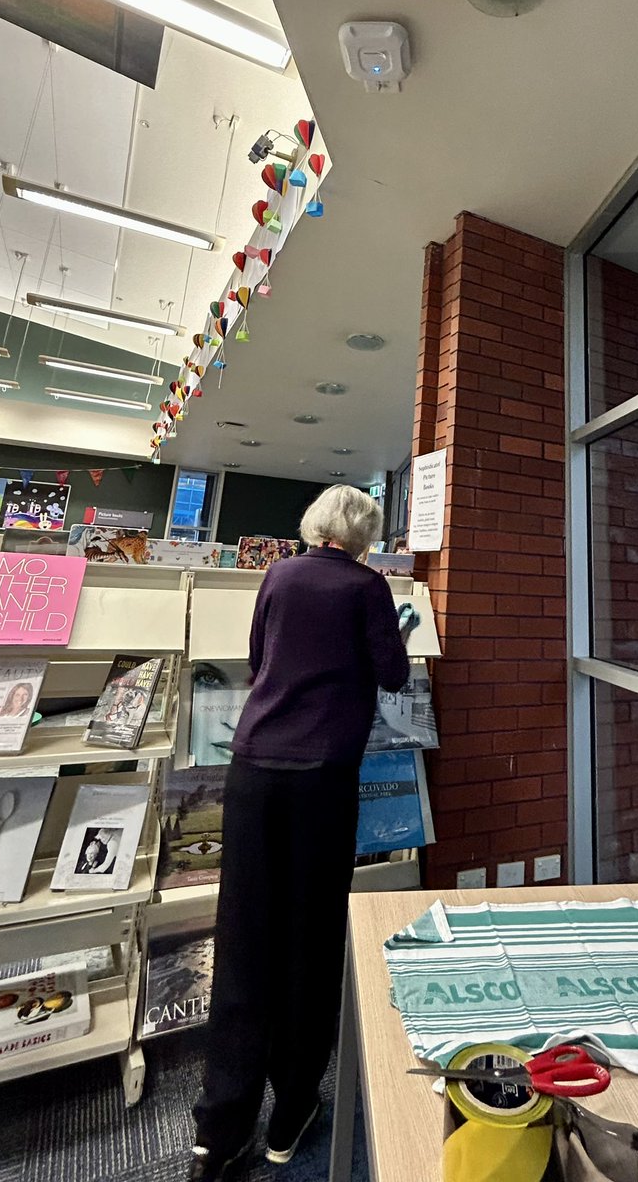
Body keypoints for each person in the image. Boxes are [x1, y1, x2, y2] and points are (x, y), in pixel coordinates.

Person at [188, 486, 418, 1180]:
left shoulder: (279, 573)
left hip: (253, 770)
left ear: (315, 527)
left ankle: (218, 1132)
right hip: (321, 777)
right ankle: (290, 1116)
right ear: (365, 533)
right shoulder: (367, 587)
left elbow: (259, 659)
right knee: (310, 940)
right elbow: (393, 673)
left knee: (244, 936)